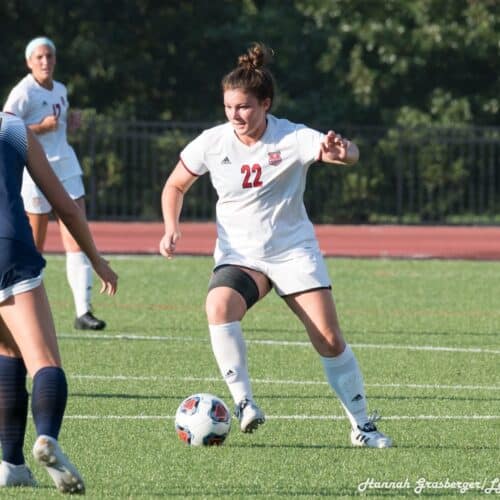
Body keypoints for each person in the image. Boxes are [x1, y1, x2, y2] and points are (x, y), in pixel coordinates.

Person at [159, 43, 392, 448]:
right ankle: (244, 402)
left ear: (265, 104)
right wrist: (170, 227)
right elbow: (175, 184)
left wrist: (345, 152)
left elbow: (347, 152)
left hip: (292, 252)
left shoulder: (293, 137)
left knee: (329, 338)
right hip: (241, 256)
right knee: (218, 305)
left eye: (244, 107)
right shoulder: (213, 142)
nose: (235, 115)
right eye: (229, 106)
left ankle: (362, 426)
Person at [0, 110, 118, 492]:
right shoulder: (12, 126)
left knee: (7, 351)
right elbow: (65, 206)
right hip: (9, 249)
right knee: (44, 362)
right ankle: (46, 437)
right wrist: (96, 260)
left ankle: (10, 464)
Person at [3, 36, 106, 331]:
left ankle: (83, 312)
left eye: (49, 56)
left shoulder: (60, 89)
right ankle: (22, 309)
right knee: (34, 244)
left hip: (66, 164)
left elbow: (56, 128)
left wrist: (66, 125)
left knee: (77, 233)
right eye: (39, 57)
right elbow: (6, 129)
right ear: (28, 62)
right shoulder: (23, 92)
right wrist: (40, 128)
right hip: (35, 169)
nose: (45, 62)